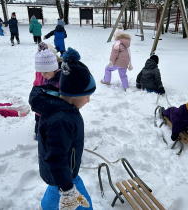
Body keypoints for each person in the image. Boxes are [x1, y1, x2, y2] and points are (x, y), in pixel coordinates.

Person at [29, 47, 95, 210]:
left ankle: (49, 205)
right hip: (63, 173)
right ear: (74, 95)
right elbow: (55, 157)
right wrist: (67, 190)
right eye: (87, 96)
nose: (88, 101)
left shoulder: (63, 109)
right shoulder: (61, 120)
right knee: (64, 193)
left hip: (61, 172)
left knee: (54, 187)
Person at [32, 42, 62, 140]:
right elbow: (36, 82)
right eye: (41, 72)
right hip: (42, 98)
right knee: (38, 118)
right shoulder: (41, 71)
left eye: (45, 73)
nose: (43, 74)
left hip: (52, 104)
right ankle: (38, 133)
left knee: (51, 120)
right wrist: (36, 91)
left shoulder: (57, 76)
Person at [100, 26, 133, 91]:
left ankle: (107, 80)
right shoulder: (125, 44)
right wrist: (129, 63)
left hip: (118, 62)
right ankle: (126, 86)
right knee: (123, 75)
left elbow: (114, 53)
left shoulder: (117, 44)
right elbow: (128, 54)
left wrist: (111, 61)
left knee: (107, 68)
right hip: (125, 62)